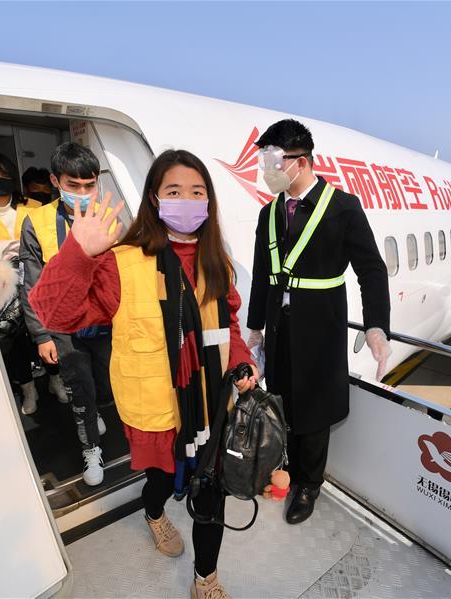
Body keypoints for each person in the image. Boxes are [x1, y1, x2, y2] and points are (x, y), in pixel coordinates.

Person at [30, 149, 257, 599]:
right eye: (174, 192)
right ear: (155, 199)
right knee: (159, 483)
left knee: (211, 498)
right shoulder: (122, 260)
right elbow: (53, 311)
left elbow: (229, 323)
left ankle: (205, 579)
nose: (187, 201)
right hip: (155, 411)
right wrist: (78, 253)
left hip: (212, 408)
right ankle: (154, 515)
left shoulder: (217, 261)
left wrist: (242, 362)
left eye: (197, 193)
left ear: (209, 203)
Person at [246, 119, 392, 525]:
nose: (267, 169)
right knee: (280, 401)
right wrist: (255, 327)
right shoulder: (269, 213)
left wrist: (376, 325)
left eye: (273, 160)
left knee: (313, 412)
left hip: (321, 327)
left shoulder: (342, 208)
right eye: (265, 160)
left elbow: (371, 270)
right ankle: (284, 468)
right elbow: (263, 272)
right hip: (279, 326)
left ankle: (309, 485)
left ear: (301, 161)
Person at [19, 143, 112, 485]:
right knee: (79, 389)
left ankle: (95, 410)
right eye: (74, 185)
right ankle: (91, 450)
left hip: (104, 325)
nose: (83, 193)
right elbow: (31, 283)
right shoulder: (37, 222)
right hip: (63, 328)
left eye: (90, 185)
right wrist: (41, 335)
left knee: (103, 386)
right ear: (56, 181)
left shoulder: (110, 217)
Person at [0, 153, 60, 413]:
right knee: (17, 342)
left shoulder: (33, 206)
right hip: (2, 289)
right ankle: (29, 391)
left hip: (39, 280)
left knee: (47, 332)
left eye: (3, 175)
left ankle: (56, 380)